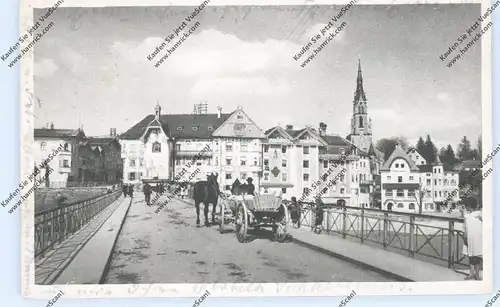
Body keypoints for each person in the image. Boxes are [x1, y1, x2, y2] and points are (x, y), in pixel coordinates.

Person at [462, 197, 482, 280]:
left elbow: (465, 228)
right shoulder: (469, 215)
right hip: (473, 238)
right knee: (473, 256)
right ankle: (473, 274)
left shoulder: (478, 214)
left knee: (475, 257)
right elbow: (465, 227)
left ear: (468, 206)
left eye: (466, 206)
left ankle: (475, 274)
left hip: (474, 238)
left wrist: (465, 236)